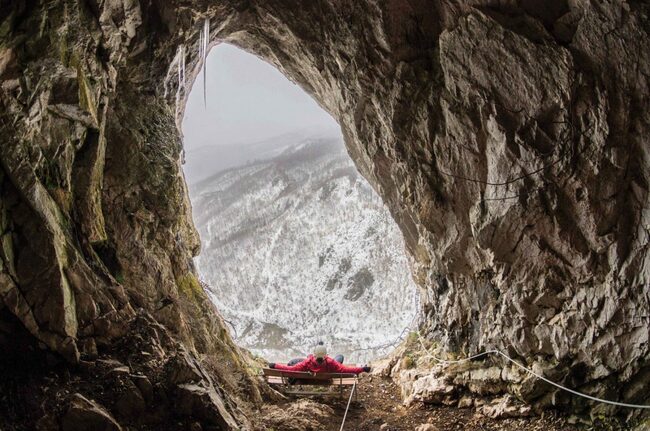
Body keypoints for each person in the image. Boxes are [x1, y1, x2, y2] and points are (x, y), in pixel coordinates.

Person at [268, 342, 371, 374]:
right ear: (325, 355)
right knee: (340, 357)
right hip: (327, 374)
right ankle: (320, 347)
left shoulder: (307, 363)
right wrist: (363, 369)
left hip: (311, 373)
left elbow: (291, 369)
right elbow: (346, 369)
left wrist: (275, 365)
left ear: (314, 355)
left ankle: (318, 346)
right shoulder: (331, 362)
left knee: (296, 362)